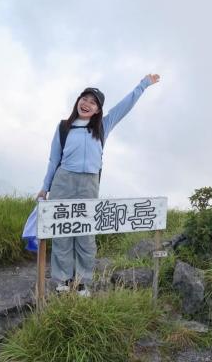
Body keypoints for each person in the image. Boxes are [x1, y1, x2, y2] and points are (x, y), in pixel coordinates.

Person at [37, 74, 160, 296]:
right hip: (63, 181)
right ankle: (63, 280)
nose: (86, 104)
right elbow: (53, 159)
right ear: (78, 101)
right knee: (62, 232)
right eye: (84, 99)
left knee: (86, 234)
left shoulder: (103, 126)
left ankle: (82, 281)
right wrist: (45, 188)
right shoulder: (64, 127)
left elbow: (125, 106)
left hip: (89, 183)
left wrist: (143, 85)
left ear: (98, 110)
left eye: (93, 102)